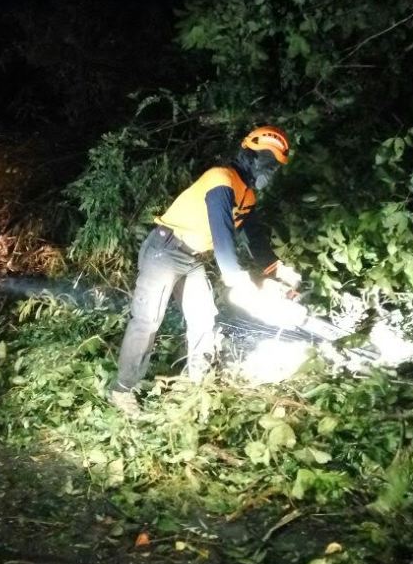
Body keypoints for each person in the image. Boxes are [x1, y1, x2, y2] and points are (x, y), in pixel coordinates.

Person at [108, 126, 291, 417]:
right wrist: (235, 279)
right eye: (267, 162)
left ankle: (198, 385)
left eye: (274, 166)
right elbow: (222, 235)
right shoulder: (221, 180)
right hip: (165, 249)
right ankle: (122, 389)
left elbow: (255, 236)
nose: (269, 171)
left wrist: (277, 269)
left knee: (203, 318)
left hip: (192, 257)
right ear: (250, 155)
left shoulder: (248, 196)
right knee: (147, 321)